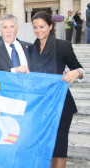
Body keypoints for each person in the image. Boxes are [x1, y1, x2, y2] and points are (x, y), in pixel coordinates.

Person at [29, 11, 85, 168]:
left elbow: (79, 68)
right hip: (40, 107)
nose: (38, 30)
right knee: (43, 147)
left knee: (59, 147)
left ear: (50, 26)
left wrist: (77, 73)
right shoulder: (30, 49)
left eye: (42, 26)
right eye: (35, 27)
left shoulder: (63, 46)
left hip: (61, 106)